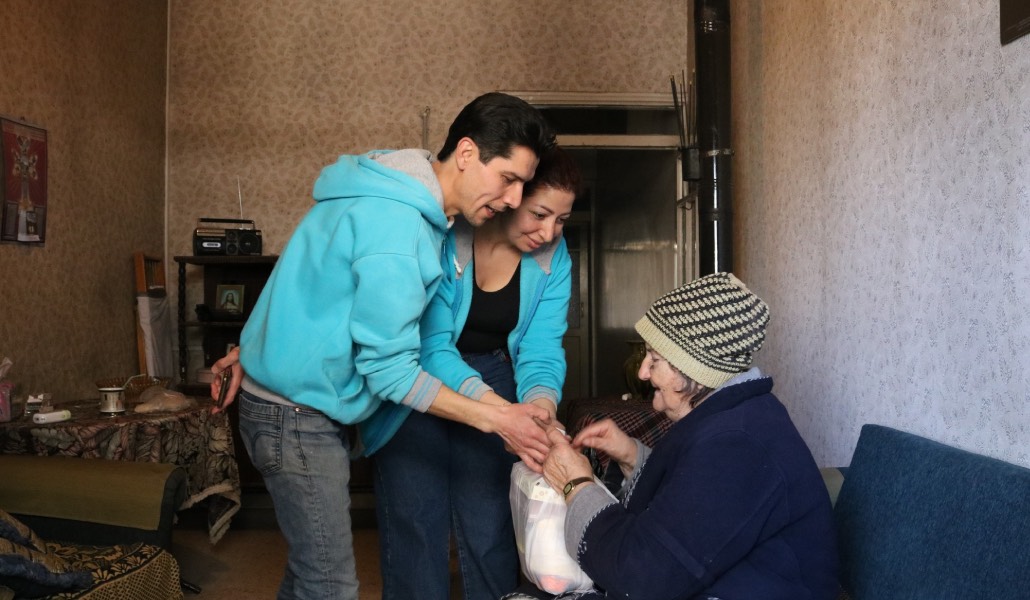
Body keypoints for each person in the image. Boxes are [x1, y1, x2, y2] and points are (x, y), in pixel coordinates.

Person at [211, 92, 557, 600]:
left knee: (309, 574)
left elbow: (311, 283)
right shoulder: (399, 225)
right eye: (509, 178)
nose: (512, 199)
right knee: (329, 584)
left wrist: (257, 349)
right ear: (466, 154)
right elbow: (391, 371)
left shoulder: (390, 186)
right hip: (295, 415)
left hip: (290, 403)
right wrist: (498, 418)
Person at [506, 272, 839, 600]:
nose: (642, 372)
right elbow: (698, 504)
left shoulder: (738, 444)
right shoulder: (738, 419)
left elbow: (639, 578)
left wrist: (575, 484)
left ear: (695, 371)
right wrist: (633, 457)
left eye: (655, 359)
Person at [362, 148, 581, 600]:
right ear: (509, 195)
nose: (549, 232)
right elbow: (431, 346)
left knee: (490, 528)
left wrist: (538, 408)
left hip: (499, 376)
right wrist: (504, 417)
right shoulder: (444, 235)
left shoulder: (553, 257)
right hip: (420, 377)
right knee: (415, 525)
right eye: (540, 214)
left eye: (561, 220)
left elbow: (542, 347)